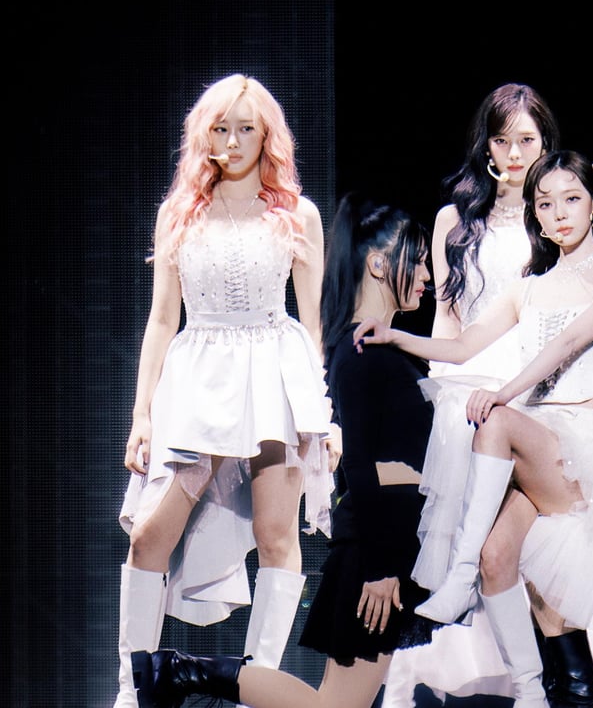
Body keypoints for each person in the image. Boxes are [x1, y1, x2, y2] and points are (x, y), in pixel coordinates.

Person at [356, 150, 593, 707]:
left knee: (496, 420)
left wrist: (504, 393)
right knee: (497, 557)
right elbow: (464, 345)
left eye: (571, 199)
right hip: (537, 442)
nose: (559, 213)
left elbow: (568, 344)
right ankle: (530, 691)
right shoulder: (527, 287)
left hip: (589, 446)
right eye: (546, 203)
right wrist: (396, 336)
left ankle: (458, 577)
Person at [128, 195, 443, 708]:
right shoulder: (360, 354)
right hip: (379, 552)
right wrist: (382, 565)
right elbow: (361, 468)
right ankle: (179, 671)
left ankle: (183, 671)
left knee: (340, 706)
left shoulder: (383, 349)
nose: (428, 274)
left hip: (398, 546)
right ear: (379, 263)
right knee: (336, 707)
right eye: (420, 259)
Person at [113, 74, 339, 708]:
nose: (233, 141)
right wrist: (142, 416)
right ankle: (131, 688)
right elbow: (163, 319)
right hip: (199, 381)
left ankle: (255, 686)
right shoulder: (179, 213)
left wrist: (327, 417)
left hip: (274, 379)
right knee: (149, 535)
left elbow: (314, 326)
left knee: (277, 536)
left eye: (246, 128)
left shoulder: (297, 214)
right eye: (221, 128)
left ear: (267, 135)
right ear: (204, 135)